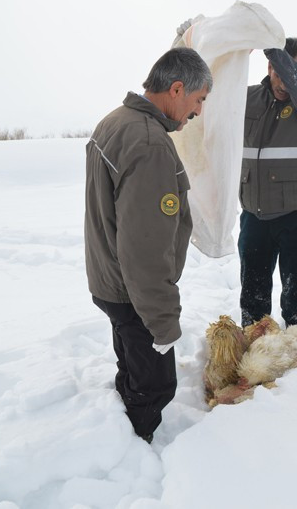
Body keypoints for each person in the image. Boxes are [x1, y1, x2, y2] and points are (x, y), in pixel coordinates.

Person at [84, 47, 212, 443]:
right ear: (177, 90)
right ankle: (132, 451)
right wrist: (163, 322)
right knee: (155, 387)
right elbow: (145, 248)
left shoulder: (115, 122)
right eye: (199, 100)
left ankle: (122, 429)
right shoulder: (149, 143)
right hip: (135, 294)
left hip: (111, 282)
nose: (199, 111)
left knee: (132, 372)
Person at [239, 37, 297, 337]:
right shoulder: (246, 98)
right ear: (268, 68)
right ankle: (256, 352)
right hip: (255, 217)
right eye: (277, 72)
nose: (283, 81)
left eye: (291, 73)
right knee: (252, 302)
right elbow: (212, 93)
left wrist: (269, 41)